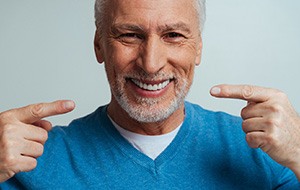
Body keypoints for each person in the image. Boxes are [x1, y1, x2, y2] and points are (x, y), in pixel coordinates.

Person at [0, 0, 300, 189]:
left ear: (198, 48)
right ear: (99, 45)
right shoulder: (30, 161)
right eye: (130, 35)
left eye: (173, 36)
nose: (151, 62)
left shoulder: (264, 150)